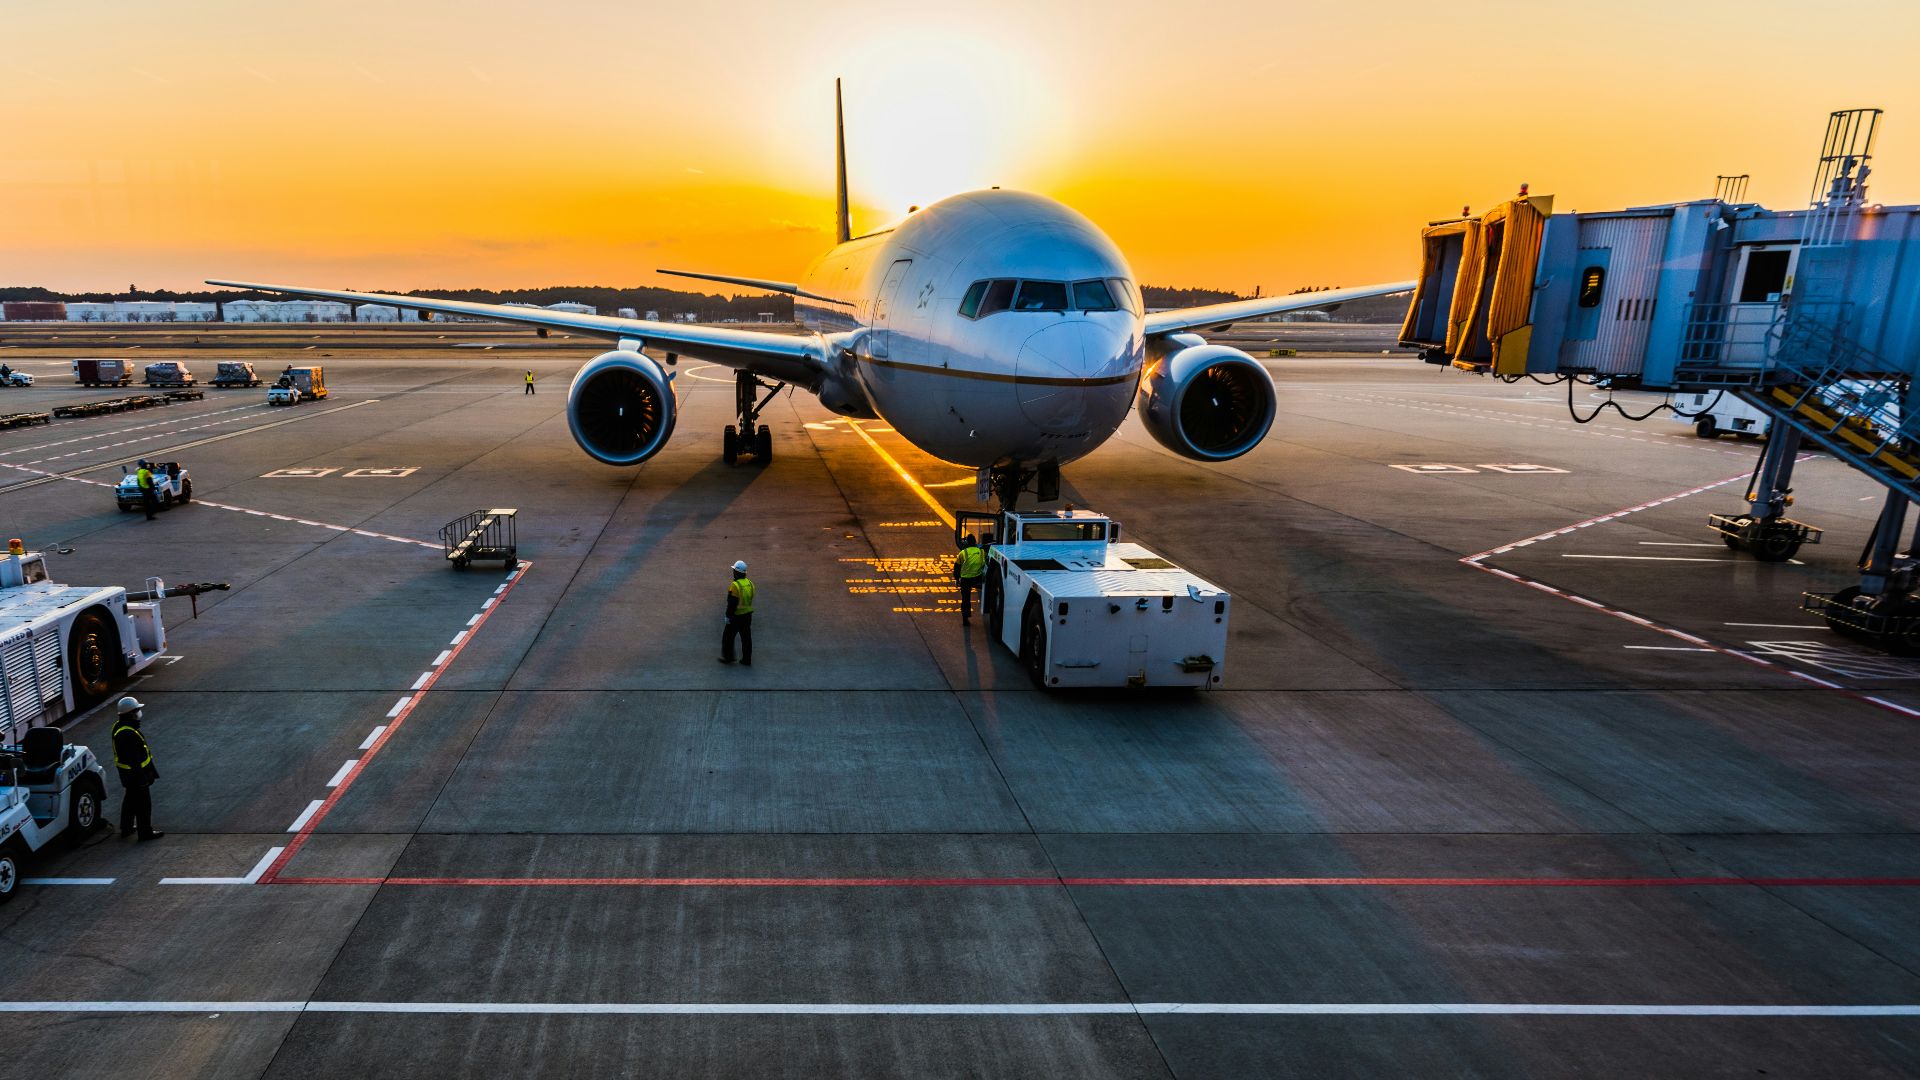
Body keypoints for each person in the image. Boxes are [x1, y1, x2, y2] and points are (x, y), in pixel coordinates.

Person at [111, 696, 163, 841]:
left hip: (127, 775)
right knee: (143, 805)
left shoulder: (119, 726)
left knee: (130, 800)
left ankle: (126, 827)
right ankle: (145, 832)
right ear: (130, 714)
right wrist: (142, 778)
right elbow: (134, 760)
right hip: (135, 775)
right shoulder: (128, 734)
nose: (139, 713)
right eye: (137, 711)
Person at [718, 559, 755, 666]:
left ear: (737, 572)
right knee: (746, 638)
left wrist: (728, 616)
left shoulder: (735, 585)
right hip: (747, 615)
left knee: (727, 637)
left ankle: (728, 658)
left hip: (736, 616)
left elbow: (731, 603)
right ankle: (747, 659)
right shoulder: (750, 583)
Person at [954, 534, 987, 624]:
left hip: (965, 579)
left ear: (966, 542)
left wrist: (957, 579)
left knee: (965, 599)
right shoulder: (981, 551)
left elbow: (956, 567)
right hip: (978, 577)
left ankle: (965, 618)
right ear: (975, 542)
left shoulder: (963, 553)